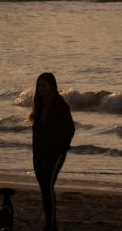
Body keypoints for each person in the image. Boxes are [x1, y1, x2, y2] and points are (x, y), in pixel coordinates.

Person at [29, 72, 74, 231]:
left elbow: (70, 128)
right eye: (39, 85)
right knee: (45, 189)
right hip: (39, 154)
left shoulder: (60, 105)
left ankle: (50, 226)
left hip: (55, 154)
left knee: (48, 186)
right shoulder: (38, 104)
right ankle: (51, 222)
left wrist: (62, 146)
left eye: (44, 85)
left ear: (52, 86)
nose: (41, 89)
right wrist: (35, 153)